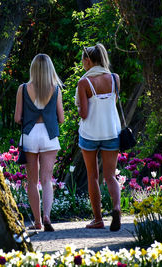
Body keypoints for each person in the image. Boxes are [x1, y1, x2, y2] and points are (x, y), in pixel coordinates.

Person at [14, 54, 64, 232]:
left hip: (30, 135)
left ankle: (36, 221)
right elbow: (62, 118)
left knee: (32, 180)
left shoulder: (23, 88)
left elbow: (17, 118)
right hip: (49, 135)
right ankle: (47, 216)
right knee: (47, 180)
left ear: (33, 69)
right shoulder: (56, 88)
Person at [75, 43, 122, 231]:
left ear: (88, 60)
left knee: (93, 176)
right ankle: (116, 208)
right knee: (111, 176)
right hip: (111, 132)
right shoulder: (114, 78)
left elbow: (84, 114)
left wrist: (79, 106)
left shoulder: (84, 83)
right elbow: (113, 103)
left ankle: (98, 219)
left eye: (83, 61)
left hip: (90, 134)